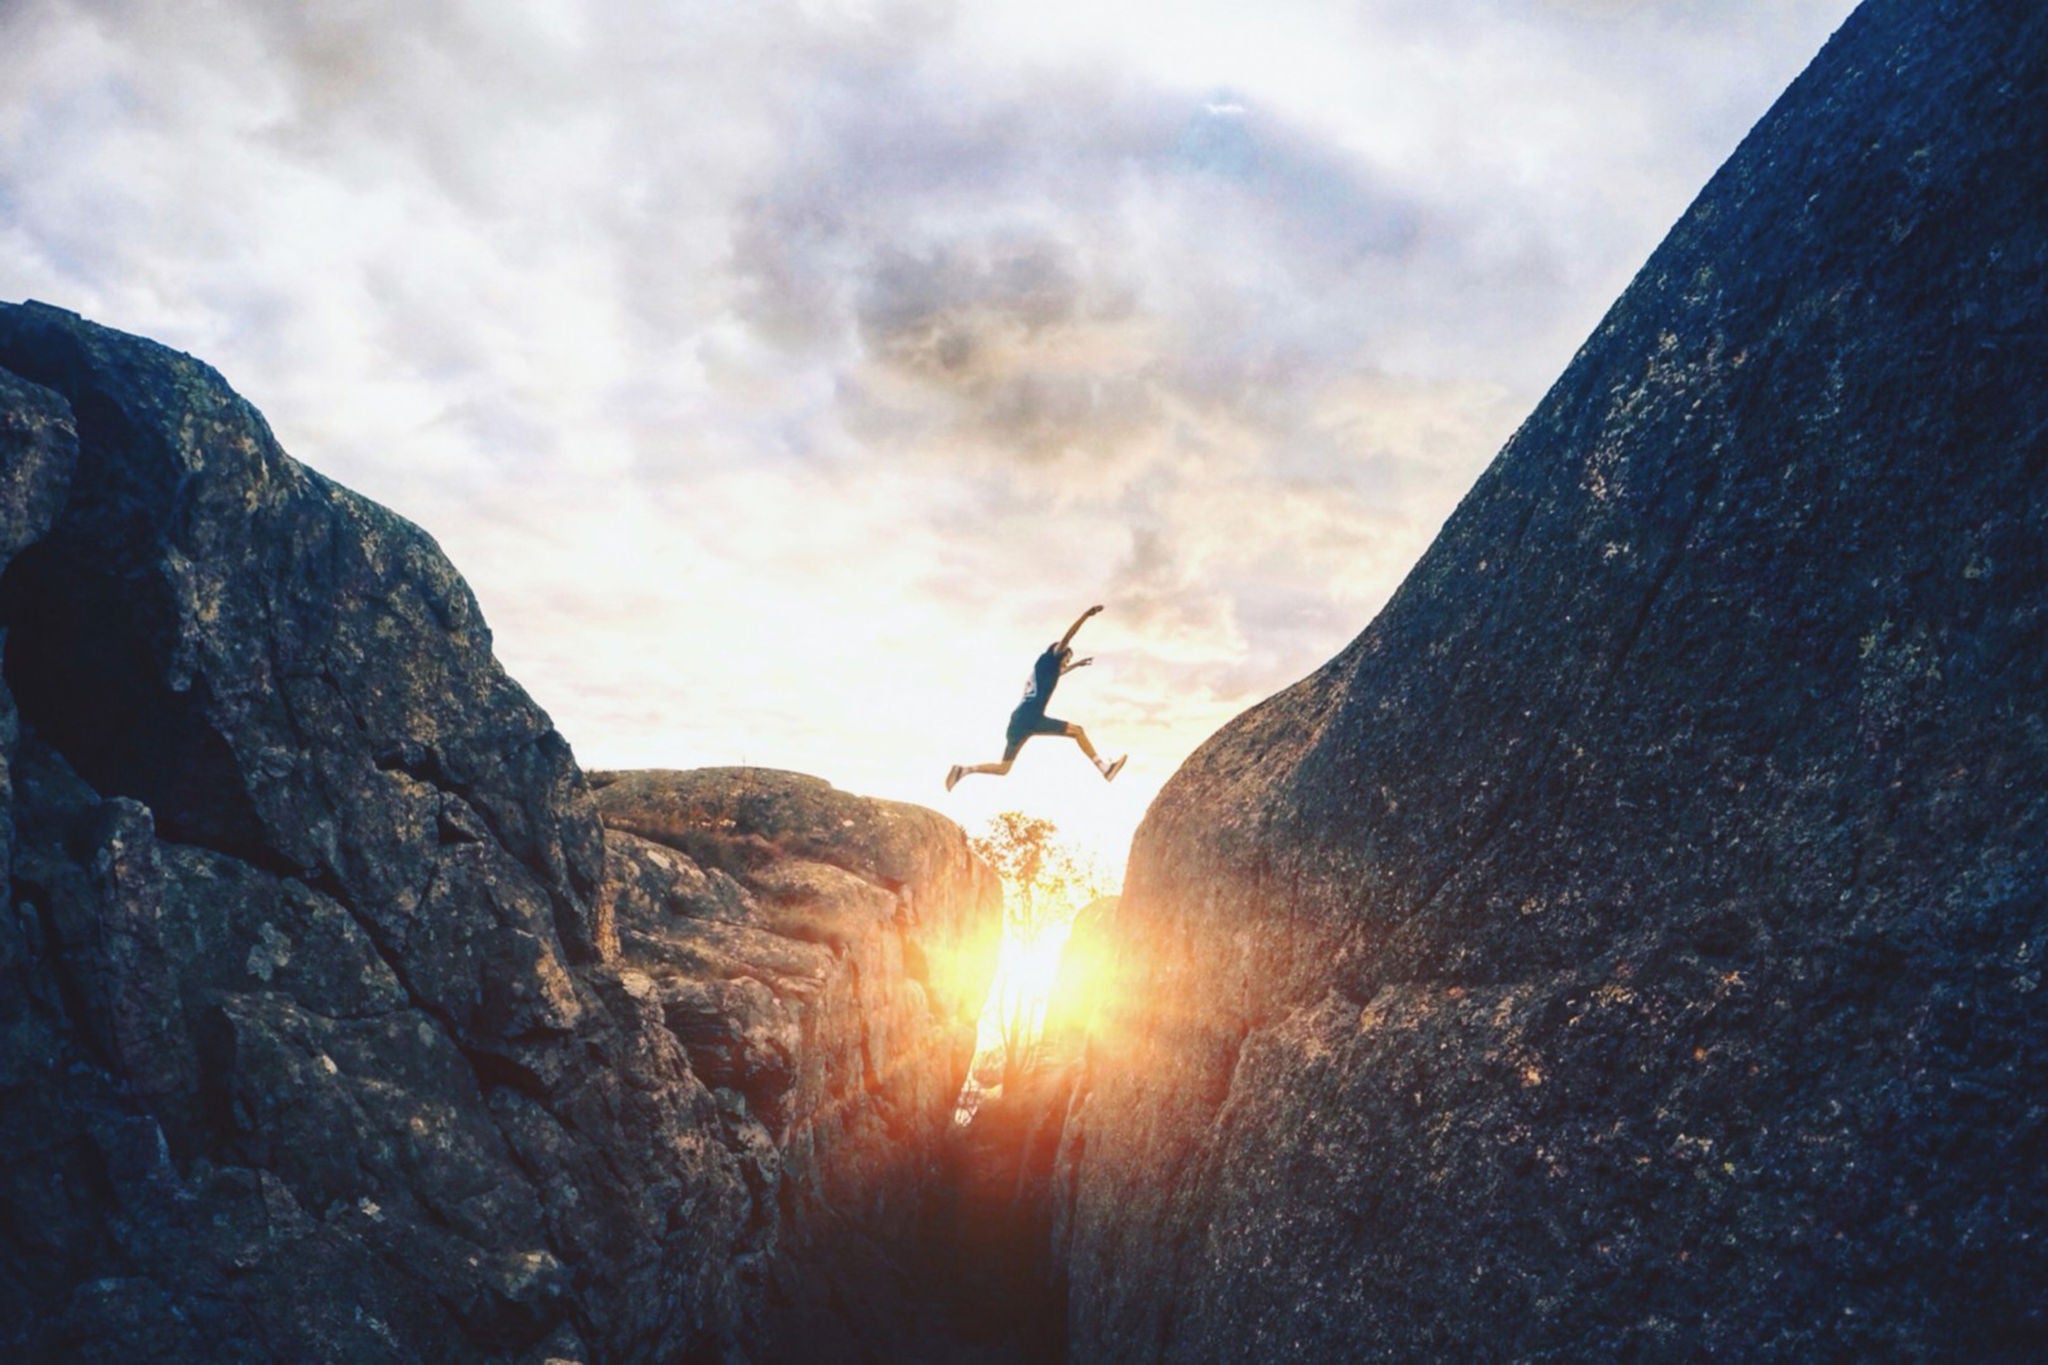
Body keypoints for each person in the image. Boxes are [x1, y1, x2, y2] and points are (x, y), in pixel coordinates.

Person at [948, 605, 1126, 790]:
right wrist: (1085, 616)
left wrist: (1077, 665)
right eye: (1067, 658)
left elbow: (1060, 673)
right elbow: (1068, 637)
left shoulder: (1043, 668)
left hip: (1019, 720)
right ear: (1059, 653)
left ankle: (964, 770)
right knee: (1078, 731)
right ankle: (1105, 769)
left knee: (1004, 768)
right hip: (1031, 717)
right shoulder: (1052, 658)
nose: (1067, 662)